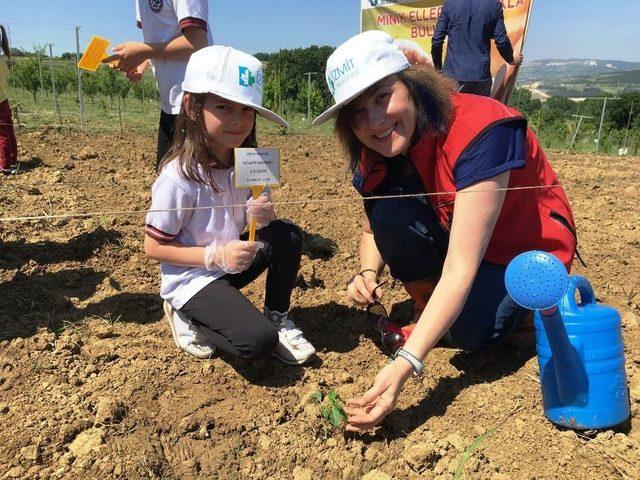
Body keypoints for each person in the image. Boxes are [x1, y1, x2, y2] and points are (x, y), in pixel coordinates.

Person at [312, 31, 576, 431]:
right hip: (461, 244)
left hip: (522, 251)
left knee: (471, 330)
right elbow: (375, 229)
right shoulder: (379, 150)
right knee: (391, 214)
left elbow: (459, 270)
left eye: (383, 97)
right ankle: (435, 313)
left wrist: (404, 365)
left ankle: (520, 314)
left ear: (412, 82)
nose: (375, 121)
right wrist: (367, 272)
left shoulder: (480, 128)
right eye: (356, 112)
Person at [144, 45, 316, 365]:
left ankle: (277, 316)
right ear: (192, 107)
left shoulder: (249, 160)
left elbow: (259, 219)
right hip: (192, 277)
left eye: (247, 110)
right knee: (258, 341)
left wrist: (263, 214)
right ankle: (184, 312)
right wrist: (213, 255)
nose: (238, 121)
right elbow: (153, 247)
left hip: (231, 264)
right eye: (224, 107)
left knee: (288, 235)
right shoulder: (178, 176)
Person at [104, 0, 211, 168]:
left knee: (199, 181)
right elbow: (160, 37)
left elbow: (197, 42)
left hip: (198, 103)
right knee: (166, 178)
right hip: (170, 102)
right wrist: (142, 61)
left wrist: (144, 51)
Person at [431, 0, 523, 96]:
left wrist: (438, 70)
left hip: (453, 77)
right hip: (480, 77)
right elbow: (501, 41)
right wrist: (511, 59)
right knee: (480, 111)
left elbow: (436, 40)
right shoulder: (493, 4)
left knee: (454, 111)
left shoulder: (450, 4)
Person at [0, 25, 17, 175]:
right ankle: (12, 159)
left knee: (2, 134)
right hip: (3, 99)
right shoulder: (2, 59)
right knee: (8, 129)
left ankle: (5, 166)